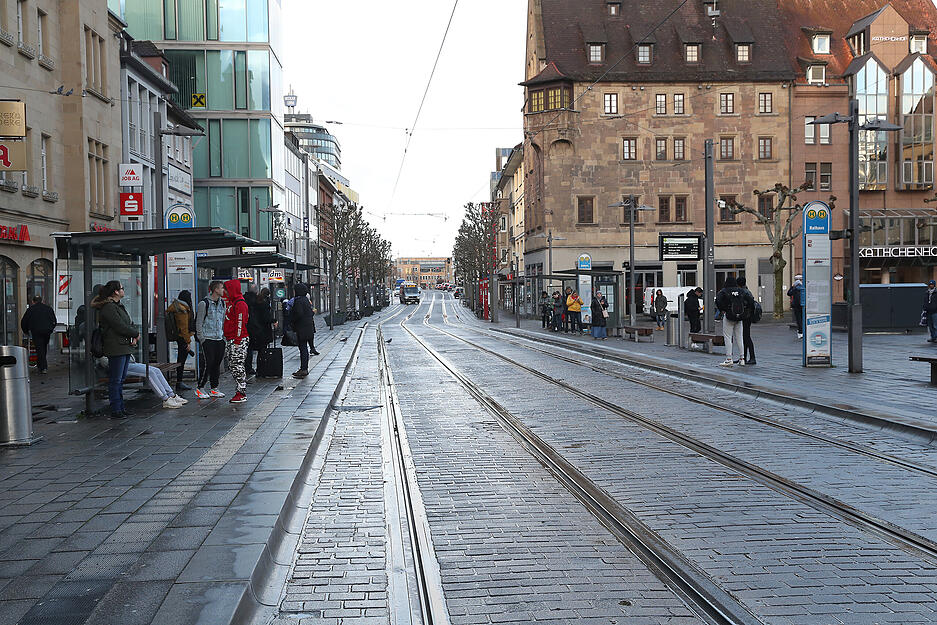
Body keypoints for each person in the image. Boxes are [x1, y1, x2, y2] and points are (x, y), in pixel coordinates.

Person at [91, 281, 139, 419]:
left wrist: (133, 333)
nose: (124, 291)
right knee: (116, 380)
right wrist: (134, 334)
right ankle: (116, 408)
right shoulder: (109, 308)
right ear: (116, 292)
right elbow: (119, 326)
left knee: (121, 379)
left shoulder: (118, 306)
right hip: (116, 347)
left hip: (124, 346)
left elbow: (127, 323)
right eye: (122, 289)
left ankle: (121, 407)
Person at [195, 281, 227, 399]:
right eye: (222, 288)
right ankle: (200, 387)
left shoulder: (222, 303)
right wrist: (201, 338)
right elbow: (199, 322)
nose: (223, 290)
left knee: (216, 363)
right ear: (215, 289)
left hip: (219, 337)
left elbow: (223, 320)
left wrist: (223, 337)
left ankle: (214, 388)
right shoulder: (204, 303)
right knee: (208, 362)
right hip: (208, 338)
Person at [715, 276, 755, 367]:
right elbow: (751, 301)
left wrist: (723, 309)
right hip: (740, 316)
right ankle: (742, 359)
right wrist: (745, 310)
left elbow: (718, 301)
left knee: (728, 337)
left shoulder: (724, 291)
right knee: (739, 337)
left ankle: (729, 359)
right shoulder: (741, 291)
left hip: (729, 316)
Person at [222, 279, 249, 403]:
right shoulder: (234, 302)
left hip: (237, 339)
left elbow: (240, 323)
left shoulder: (239, 304)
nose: (225, 292)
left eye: (226, 289)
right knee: (233, 364)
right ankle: (240, 390)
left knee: (237, 365)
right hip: (232, 338)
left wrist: (237, 340)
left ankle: (241, 392)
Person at [166, 290, 195, 391]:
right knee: (181, 360)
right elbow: (183, 327)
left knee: (181, 359)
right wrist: (188, 342)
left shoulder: (177, 306)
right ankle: (179, 382)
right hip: (182, 338)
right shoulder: (182, 309)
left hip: (179, 336)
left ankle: (179, 381)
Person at [20, 295, 56, 374]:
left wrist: (26, 331)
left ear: (33, 301)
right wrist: (51, 329)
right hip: (47, 331)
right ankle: (41, 365)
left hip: (36, 331)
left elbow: (24, 322)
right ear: (42, 300)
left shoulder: (30, 310)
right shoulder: (48, 309)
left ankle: (43, 367)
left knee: (39, 348)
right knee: (43, 347)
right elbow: (54, 320)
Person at [291, 283, 319, 378]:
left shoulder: (298, 301)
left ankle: (303, 369)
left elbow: (298, 313)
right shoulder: (306, 300)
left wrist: (293, 320)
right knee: (304, 348)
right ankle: (304, 368)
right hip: (308, 327)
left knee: (303, 348)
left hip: (302, 328)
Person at [246, 287, 276, 374]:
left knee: (250, 348)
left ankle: (248, 368)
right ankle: (261, 369)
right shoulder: (264, 303)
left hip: (251, 328)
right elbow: (266, 318)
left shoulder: (250, 301)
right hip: (262, 330)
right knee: (262, 350)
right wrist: (273, 320)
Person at [736, 276, 756, 365]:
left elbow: (749, 304)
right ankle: (743, 357)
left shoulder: (743, 292)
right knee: (744, 336)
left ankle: (752, 357)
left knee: (746, 336)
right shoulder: (747, 291)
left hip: (745, 316)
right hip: (747, 316)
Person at [788, 275, 805, 339]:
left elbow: (789, 293)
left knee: (799, 319)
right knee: (802, 319)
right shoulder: (803, 287)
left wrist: (792, 287)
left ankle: (800, 332)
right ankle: (802, 331)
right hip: (802, 305)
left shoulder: (795, 288)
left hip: (796, 306)